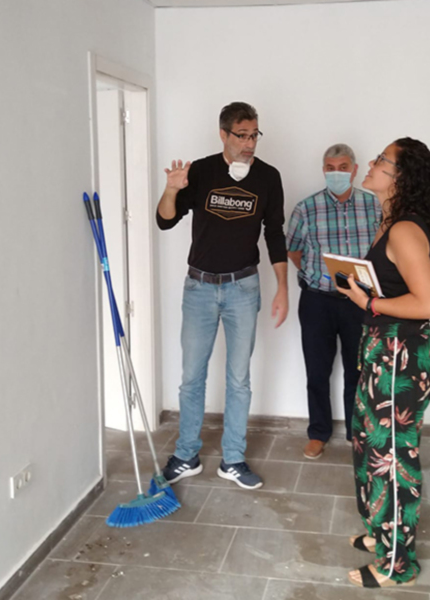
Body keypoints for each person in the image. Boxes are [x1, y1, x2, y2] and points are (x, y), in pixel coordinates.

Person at [155, 102, 288, 490]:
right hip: (199, 288)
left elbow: (275, 233)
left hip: (242, 288)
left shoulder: (268, 177)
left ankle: (233, 459)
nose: (250, 143)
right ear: (223, 134)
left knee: (239, 378)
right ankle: (186, 455)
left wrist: (282, 287)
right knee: (191, 377)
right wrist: (172, 188)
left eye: (254, 135)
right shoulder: (200, 171)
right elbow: (165, 220)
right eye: (242, 135)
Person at [335, 137, 430, 588]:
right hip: (382, 351)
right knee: (369, 447)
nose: (372, 162)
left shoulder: (403, 231)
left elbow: (429, 303)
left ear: (401, 177)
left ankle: (397, 564)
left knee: (393, 460)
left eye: (382, 160)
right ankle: (381, 533)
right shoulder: (390, 223)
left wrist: (370, 303)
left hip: (401, 358)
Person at [286, 144, 381, 460]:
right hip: (317, 301)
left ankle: (357, 433)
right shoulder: (306, 208)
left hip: (360, 302)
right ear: (323, 170)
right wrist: (316, 275)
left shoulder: (374, 205)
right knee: (317, 370)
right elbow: (294, 250)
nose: (336, 173)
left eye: (343, 167)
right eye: (330, 167)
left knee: (359, 369)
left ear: (354, 170)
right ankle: (318, 433)